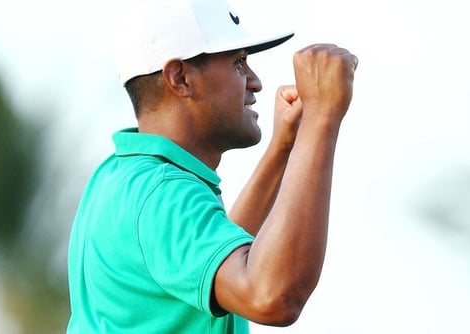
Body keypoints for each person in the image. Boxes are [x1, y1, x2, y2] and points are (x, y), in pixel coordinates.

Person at [66, 0, 358, 332]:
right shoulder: (163, 191)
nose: (255, 81)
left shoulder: (121, 175)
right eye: (239, 63)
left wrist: (284, 148)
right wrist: (322, 116)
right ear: (180, 78)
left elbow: (216, 262)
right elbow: (273, 296)